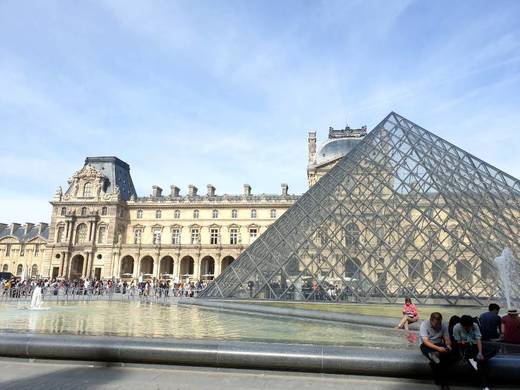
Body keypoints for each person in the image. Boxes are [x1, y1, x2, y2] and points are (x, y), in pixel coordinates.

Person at [452, 315, 492, 389]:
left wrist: (480, 352)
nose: (468, 328)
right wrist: (461, 343)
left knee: (482, 358)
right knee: (478, 364)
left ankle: (484, 383)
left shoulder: (474, 325)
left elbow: (478, 339)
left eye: (469, 326)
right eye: (466, 327)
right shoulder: (456, 327)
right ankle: (485, 385)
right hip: (465, 348)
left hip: (474, 346)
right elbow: (457, 341)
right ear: (462, 325)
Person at [419, 312, 456, 389]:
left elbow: (447, 339)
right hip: (426, 345)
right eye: (436, 324)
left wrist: (448, 345)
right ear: (431, 320)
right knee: (440, 361)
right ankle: (444, 383)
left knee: (447, 357)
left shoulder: (444, 325)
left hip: (439, 344)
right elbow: (425, 341)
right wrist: (439, 349)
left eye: (439, 324)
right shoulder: (424, 325)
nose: (438, 326)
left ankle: (435, 355)